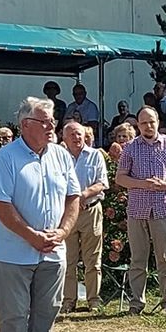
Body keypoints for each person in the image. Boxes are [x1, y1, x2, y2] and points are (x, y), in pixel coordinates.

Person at [0, 97, 81, 332]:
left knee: (46, 310)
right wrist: (30, 235)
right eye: (45, 121)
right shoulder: (7, 157)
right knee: (14, 314)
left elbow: (73, 197)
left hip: (53, 250)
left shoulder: (61, 156)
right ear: (26, 124)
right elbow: (0, 203)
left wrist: (63, 231)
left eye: (53, 120)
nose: (52, 126)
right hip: (14, 252)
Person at [115, 107, 166, 316]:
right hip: (138, 210)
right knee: (138, 259)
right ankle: (137, 303)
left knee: (165, 258)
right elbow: (120, 178)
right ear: (138, 124)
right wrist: (141, 184)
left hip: (163, 207)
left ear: (157, 121)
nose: (148, 126)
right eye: (144, 122)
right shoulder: (130, 148)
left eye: (151, 121)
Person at [60, 122, 109, 312]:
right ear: (64, 138)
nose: (76, 137)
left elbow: (102, 183)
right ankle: (68, 300)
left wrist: (83, 194)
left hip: (91, 210)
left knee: (93, 259)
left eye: (79, 134)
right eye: (71, 134)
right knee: (67, 259)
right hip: (67, 213)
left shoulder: (95, 155)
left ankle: (93, 299)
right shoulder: (59, 158)